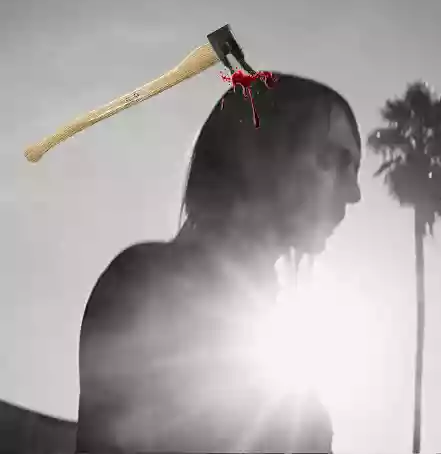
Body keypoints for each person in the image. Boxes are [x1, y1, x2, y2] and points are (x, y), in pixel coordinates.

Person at [75, 72, 362, 453]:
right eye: (333, 160)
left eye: (354, 170)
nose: (354, 193)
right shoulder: (147, 285)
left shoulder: (280, 344)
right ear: (264, 153)